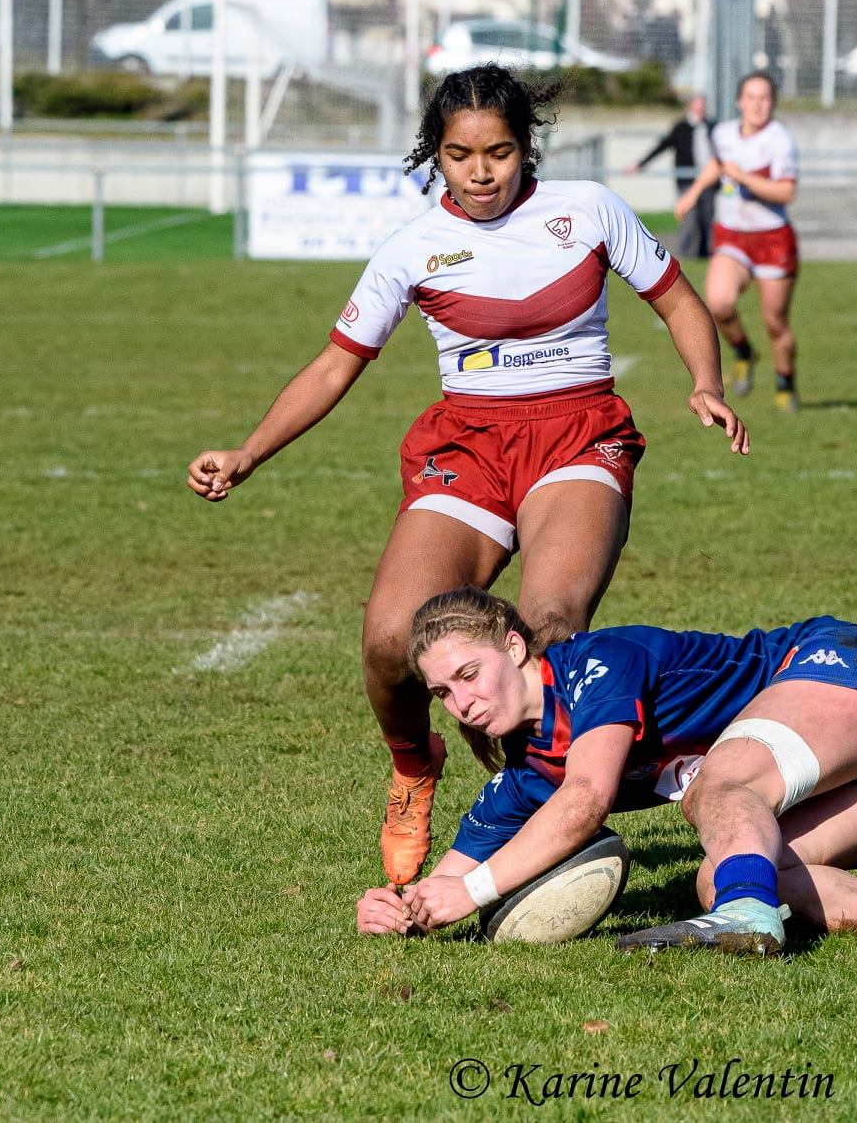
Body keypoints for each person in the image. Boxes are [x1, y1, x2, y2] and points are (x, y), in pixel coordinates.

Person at [187, 65, 749, 887]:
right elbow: (333, 367)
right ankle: (414, 767)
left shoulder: (585, 210)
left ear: (527, 149)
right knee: (389, 637)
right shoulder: (413, 249)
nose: (481, 172)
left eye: (499, 152)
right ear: (435, 155)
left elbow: (679, 303)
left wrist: (706, 383)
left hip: (577, 435)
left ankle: (522, 823)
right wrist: (247, 452)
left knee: (548, 626)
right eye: (459, 155)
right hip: (470, 447)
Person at [355, 587, 857, 952]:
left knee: (719, 791)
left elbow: (586, 802)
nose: (461, 702)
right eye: (444, 693)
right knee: (730, 871)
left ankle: (745, 916)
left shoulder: (597, 666)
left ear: (515, 648)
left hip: (851, 669)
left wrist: (475, 893)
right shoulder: (523, 774)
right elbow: (446, 881)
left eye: (470, 674)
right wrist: (405, 907)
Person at [675, 72, 802, 412]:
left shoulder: (780, 141)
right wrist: (693, 194)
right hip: (732, 235)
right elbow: (718, 165)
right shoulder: (724, 133)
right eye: (751, 97)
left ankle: (785, 382)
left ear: (772, 103)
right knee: (718, 302)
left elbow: (786, 191)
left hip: (773, 239)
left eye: (764, 98)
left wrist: (744, 177)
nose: (757, 105)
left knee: (775, 321)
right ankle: (744, 352)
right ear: (739, 102)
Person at [625, 94, 716, 260]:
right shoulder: (680, 128)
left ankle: (704, 257)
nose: (701, 109)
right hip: (687, 183)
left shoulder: (712, 127)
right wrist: (639, 164)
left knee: (706, 220)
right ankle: (684, 256)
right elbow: (661, 147)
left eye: (703, 105)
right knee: (690, 220)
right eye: (698, 105)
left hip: (709, 183)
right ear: (691, 107)